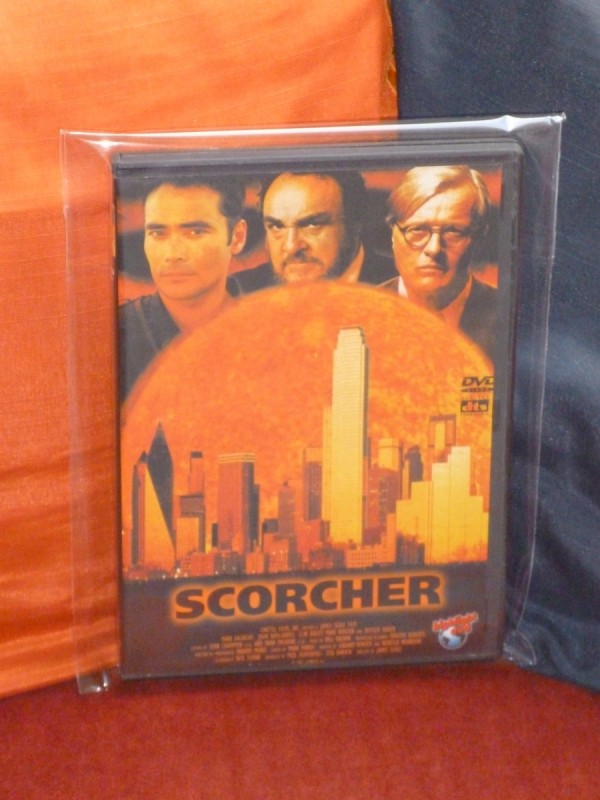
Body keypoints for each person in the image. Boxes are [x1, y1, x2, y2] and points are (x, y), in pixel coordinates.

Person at [119, 176, 247, 399]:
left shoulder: (273, 326)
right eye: (158, 233)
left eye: (195, 232)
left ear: (237, 237)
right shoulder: (116, 333)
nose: (173, 254)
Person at [382, 165, 497, 361]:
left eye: (453, 231)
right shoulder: (355, 315)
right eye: (417, 229)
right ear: (393, 234)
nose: (434, 249)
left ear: (478, 237)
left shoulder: (508, 315)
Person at [233, 170, 396, 291]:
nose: (291, 246)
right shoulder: (239, 293)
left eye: (311, 225)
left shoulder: (403, 286)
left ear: (353, 225)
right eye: (277, 226)